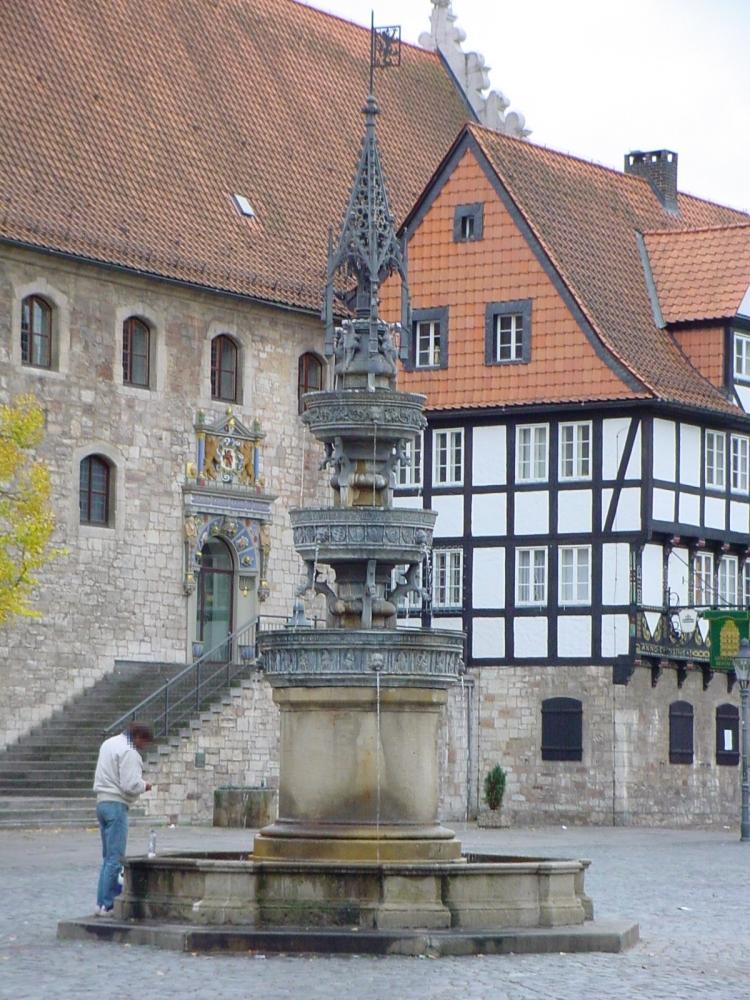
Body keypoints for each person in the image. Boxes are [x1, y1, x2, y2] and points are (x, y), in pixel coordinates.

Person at [92, 722, 153, 916]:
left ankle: (100, 902)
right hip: (116, 805)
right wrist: (145, 785)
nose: (145, 746)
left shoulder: (108, 743)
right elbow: (130, 785)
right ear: (138, 737)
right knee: (115, 859)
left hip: (101, 802)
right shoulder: (129, 752)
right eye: (145, 742)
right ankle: (108, 905)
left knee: (107, 858)